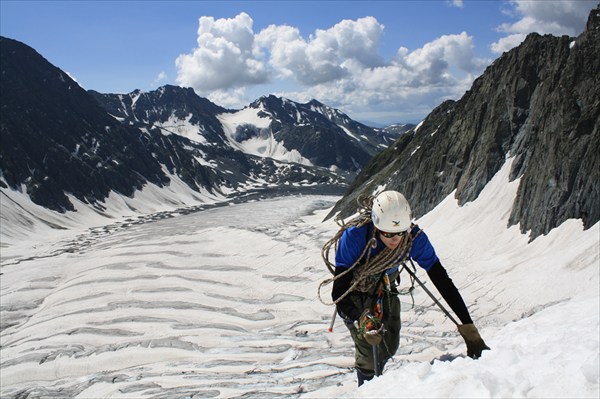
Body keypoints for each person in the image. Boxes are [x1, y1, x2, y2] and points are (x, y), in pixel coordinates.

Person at [323, 190, 489, 386]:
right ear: (376, 226)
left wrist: (468, 326)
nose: (396, 240)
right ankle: (367, 388)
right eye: (388, 234)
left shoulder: (415, 238)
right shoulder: (356, 237)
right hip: (355, 291)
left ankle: (378, 383)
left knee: (389, 344)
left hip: (384, 285)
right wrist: (359, 318)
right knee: (369, 350)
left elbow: (441, 279)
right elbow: (339, 292)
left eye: (401, 232)